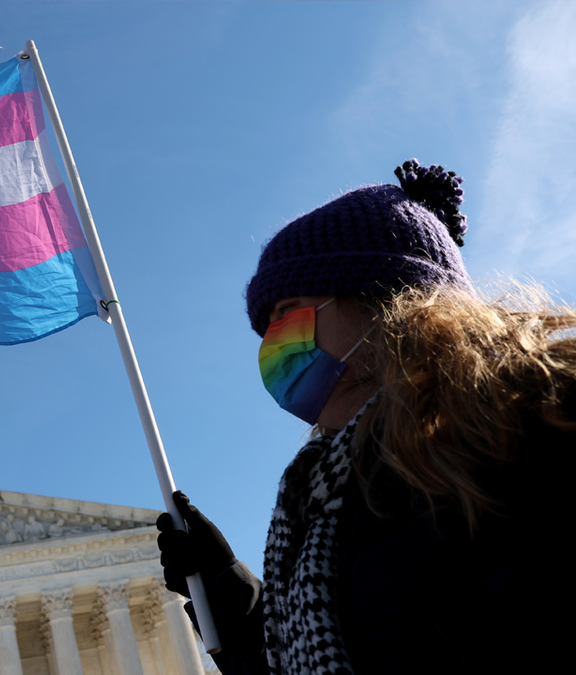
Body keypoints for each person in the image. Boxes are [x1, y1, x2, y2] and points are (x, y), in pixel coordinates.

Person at [156, 159, 576, 674]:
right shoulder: (327, 498)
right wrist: (220, 583)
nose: (274, 341)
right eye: (267, 328)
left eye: (287, 310)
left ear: (385, 301)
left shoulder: (536, 431)